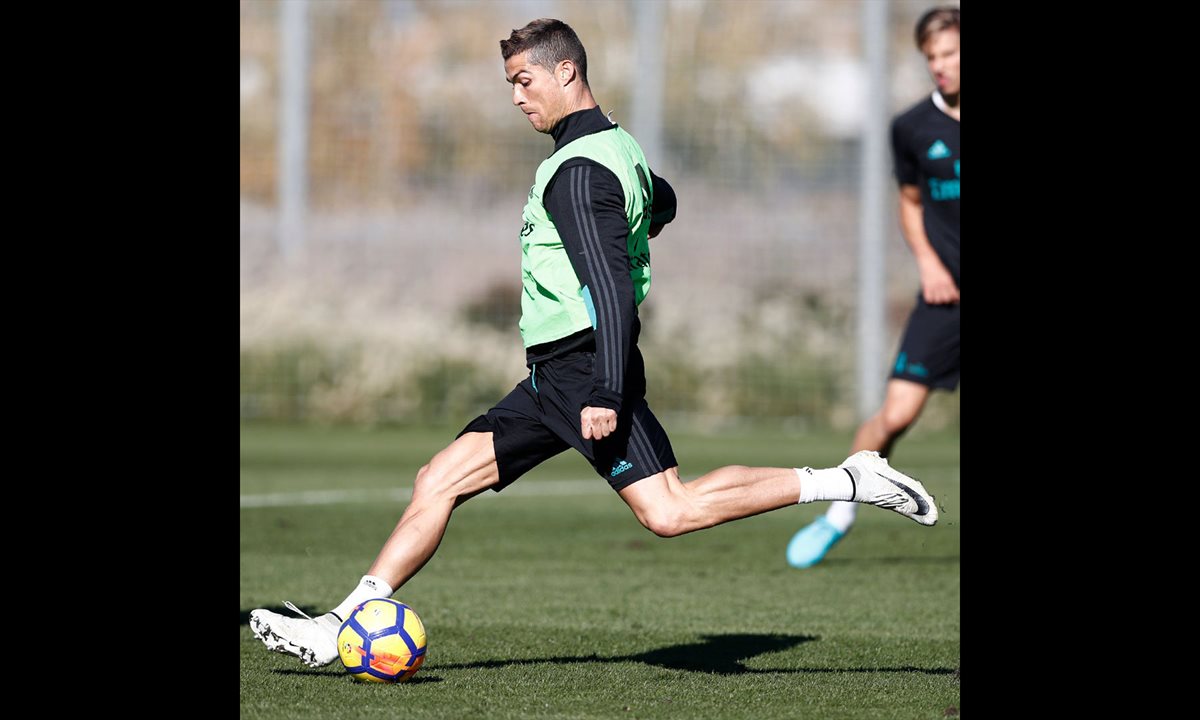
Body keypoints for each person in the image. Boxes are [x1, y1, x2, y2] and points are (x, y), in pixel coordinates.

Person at [251, 18, 938, 668]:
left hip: (586, 372)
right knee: (439, 479)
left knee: (670, 511)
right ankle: (342, 622)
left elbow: (610, 289)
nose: (516, 97)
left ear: (566, 70)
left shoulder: (578, 173)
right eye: (510, 83)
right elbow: (660, 200)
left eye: (525, 80)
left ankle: (849, 479)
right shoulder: (616, 149)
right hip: (553, 378)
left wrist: (608, 388)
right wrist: (639, 226)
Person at [786, 6, 959, 569]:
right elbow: (910, 205)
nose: (940, 67)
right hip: (946, 299)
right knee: (894, 415)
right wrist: (930, 265)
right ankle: (841, 507)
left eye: (950, 54)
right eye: (931, 58)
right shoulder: (912, 128)